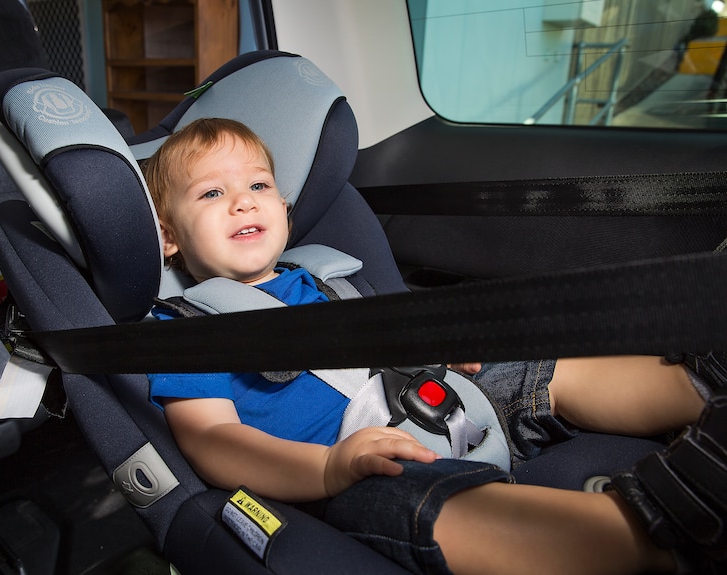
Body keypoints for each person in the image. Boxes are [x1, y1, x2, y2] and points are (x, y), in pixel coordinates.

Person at [143, 117, 726, 575]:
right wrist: (326, 468)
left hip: (437, 392)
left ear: (285, 212)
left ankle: (697, 390)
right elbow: (212, 440)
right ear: (168, 236)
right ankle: (649, 532)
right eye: (212, 192)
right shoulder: (187, 328)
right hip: (353, 463)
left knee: (539, 367)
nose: (243, 201)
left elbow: (386, 337)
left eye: (259, 185)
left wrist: (436, 347)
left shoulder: (320, 278)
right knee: (424, 509)